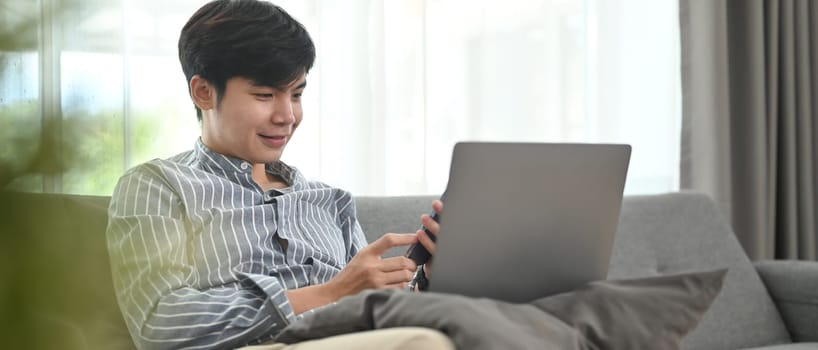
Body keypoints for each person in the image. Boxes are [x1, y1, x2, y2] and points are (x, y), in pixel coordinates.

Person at [105, 1, 450, 349]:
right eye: (265, 95)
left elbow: (379, 311)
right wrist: (332, 292)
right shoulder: (157, 186)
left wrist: (429, 278)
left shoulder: (331, 201)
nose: (287, 116)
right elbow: (160, 324)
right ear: (204, 92)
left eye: (296, 94)